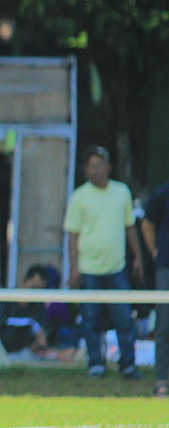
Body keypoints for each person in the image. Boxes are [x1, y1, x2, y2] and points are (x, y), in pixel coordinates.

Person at [64, 145, 144, 379]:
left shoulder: (121, 192)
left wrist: (138, 255)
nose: (96, 170)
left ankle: (128, 364)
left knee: (124, 319)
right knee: (91, 320)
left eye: (100, 165)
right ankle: (96, 364)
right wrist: (74, 267)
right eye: (91, 166)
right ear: (86, 170)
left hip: (117, 267)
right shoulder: (79, 197)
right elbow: (73, 234)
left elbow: (130, 227)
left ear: (109, 167)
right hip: (89, 269)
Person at [0, 265, 51, 360]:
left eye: (40, 290)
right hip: (1, 351)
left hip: (26, 352)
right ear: (26, 281)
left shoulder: (38, 307)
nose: (35, 292)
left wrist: (37, 344)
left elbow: (42, 336)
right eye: (34, 287)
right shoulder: (6, 299)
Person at [141, 181, 169, 397]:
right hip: (166, 268)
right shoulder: (163, 193)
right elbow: (147, 224)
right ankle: (162, 380)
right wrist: (155, 253)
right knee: (164, 325)